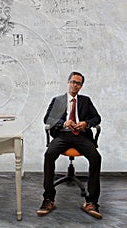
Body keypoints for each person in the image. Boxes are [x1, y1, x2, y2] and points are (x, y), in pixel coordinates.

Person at [37, 71, 102, 219]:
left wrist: (86, 123)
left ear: (81, 86)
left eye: (78, 83)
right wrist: (63, 123)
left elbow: (97, 118)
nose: (75, 85)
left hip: (82, 136)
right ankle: (49, 199)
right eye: (73, 82)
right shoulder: (58, 100)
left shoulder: (86, 101)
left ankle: (91, 202)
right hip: (63, 135)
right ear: (68, 82)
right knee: (49, 155)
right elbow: (47, 118)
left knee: (96, 158)